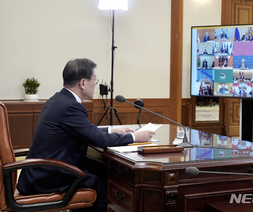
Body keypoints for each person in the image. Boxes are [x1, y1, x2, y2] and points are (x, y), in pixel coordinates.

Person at [17, 58, 155, 212]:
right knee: (107, 184)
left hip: (39, 172)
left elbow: (84, 131)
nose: (95, 84)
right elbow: (99, 140)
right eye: (94, 79)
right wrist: (135, 137)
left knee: (99, 173)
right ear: (82, 82)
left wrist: (112, 130)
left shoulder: (58, 100)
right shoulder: (71, 106)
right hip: (49, 177)